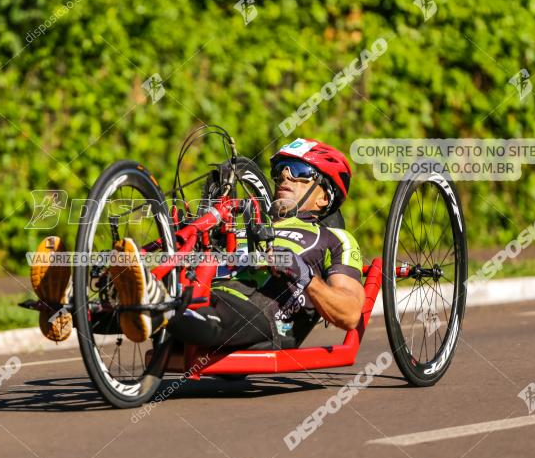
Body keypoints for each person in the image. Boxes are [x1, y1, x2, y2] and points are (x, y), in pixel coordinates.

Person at [30, 138, 365, 352]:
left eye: (300, 172)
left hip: (265, 312)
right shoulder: (253, 219)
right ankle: (69, 303)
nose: (284, 178)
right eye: (280, 172)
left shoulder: (334, 240)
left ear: (325, 196)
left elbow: (350, 312)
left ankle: (151, 298)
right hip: (209, 288)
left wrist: (303, 274)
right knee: (168, 282)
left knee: (205, 314)